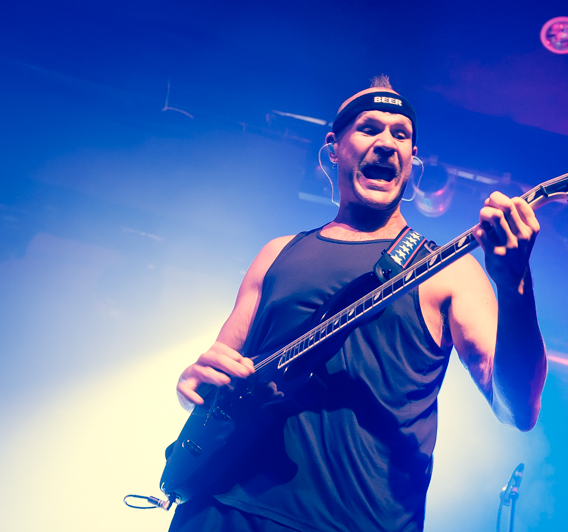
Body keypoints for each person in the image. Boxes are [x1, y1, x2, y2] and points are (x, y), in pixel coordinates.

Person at [169, 75, 547, 532]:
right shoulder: (277, 253)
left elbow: (516, 409)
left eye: (400, 135)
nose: (386, 143)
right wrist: (191, 382)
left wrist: (516, 285)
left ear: (411, 160)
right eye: (369, 128)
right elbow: (216, 385)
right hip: (222, 508)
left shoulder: (450, 269)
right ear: (334, 148)